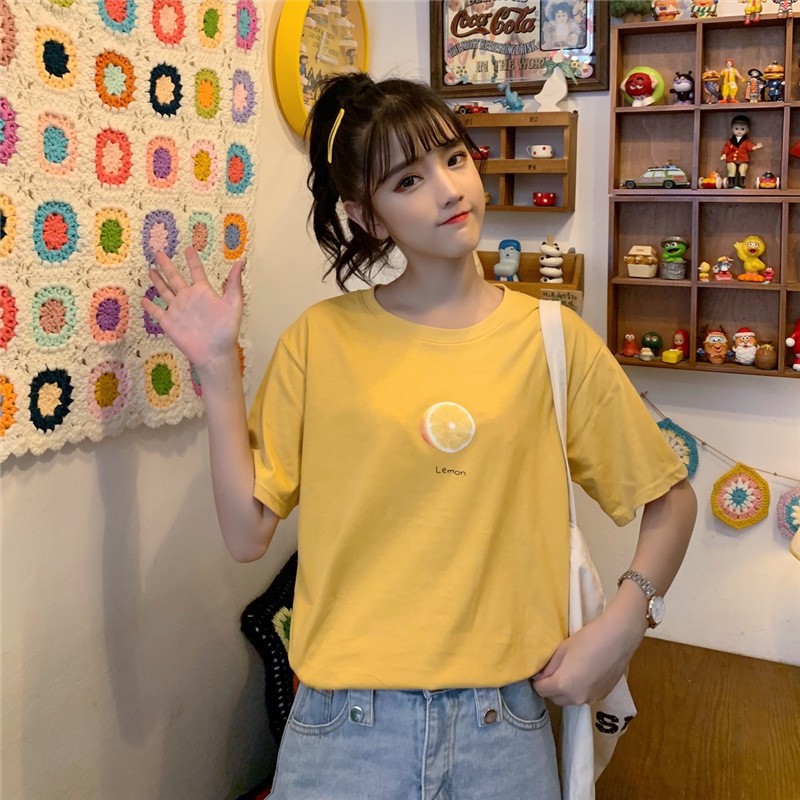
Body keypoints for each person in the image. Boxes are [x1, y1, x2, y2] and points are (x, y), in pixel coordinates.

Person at [142, 73, 697, 799]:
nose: (448, 189)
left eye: (454, 158)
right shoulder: (319, 340)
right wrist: (218, 370)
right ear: (366, 218)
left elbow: (671, 500)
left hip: (506, 727)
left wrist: (626, 622)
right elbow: (247, 534)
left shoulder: (551, 338)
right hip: (342, 732)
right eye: (408, 180)